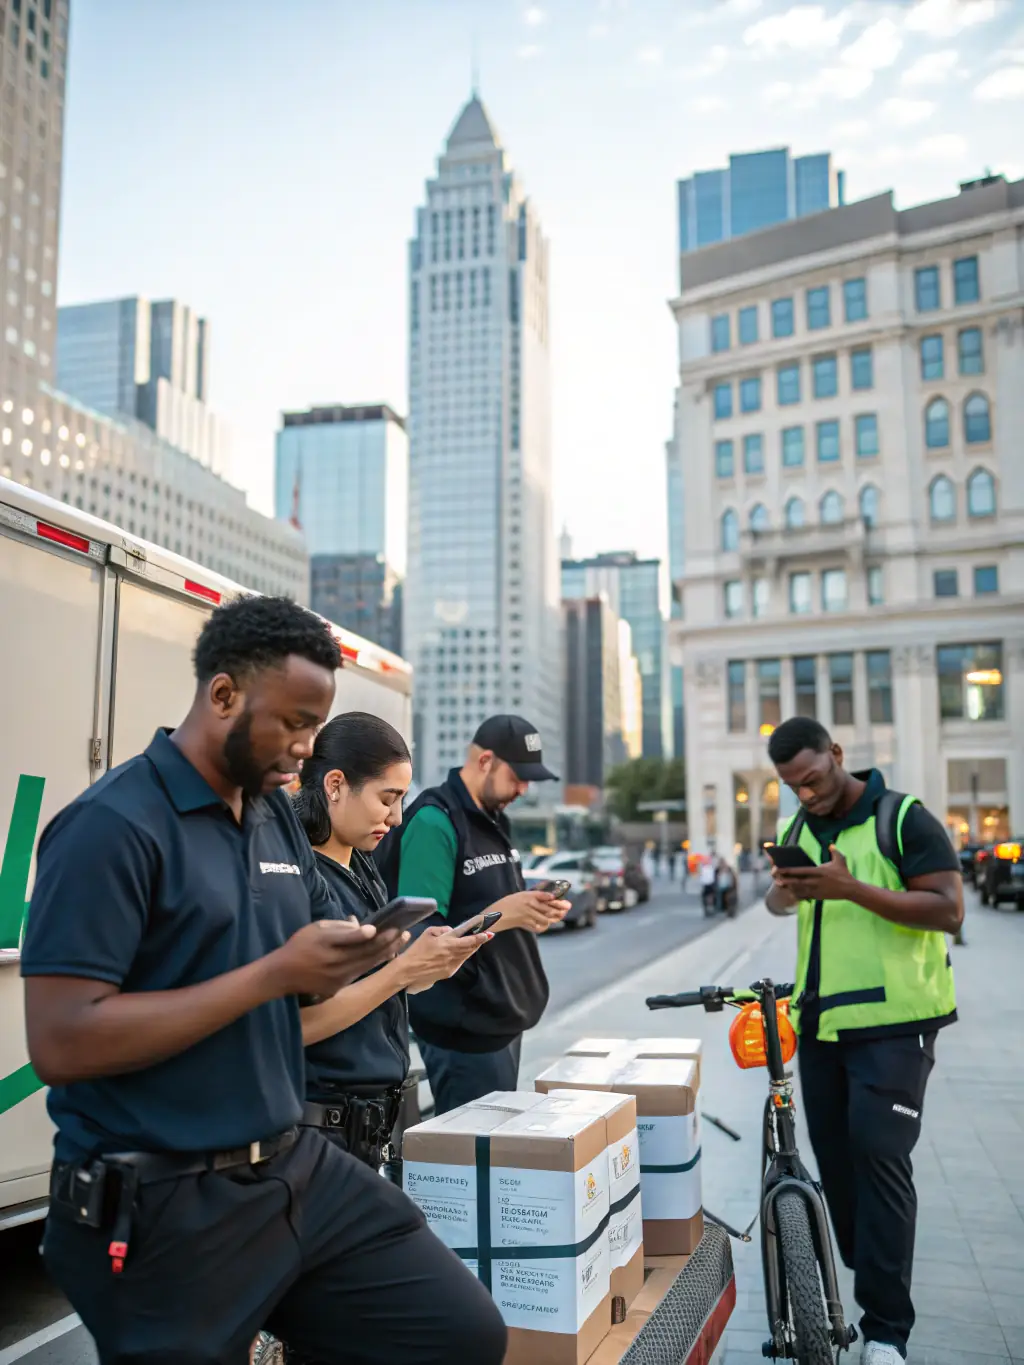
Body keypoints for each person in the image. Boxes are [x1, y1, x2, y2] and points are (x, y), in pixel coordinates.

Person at [21, 596, 507, 1365]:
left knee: (459, 1332)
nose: (307, 749)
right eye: (295, 723)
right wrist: (273, 975)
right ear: (224, 695)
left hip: (292, 1165)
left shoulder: (274, 819)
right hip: (165, 1198)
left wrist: (366, 955)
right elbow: (62, 1040)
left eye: (317, 726)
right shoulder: (111, 826)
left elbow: (302, 980)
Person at [765, 717, 962, 1365]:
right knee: (840, 1172)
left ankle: (885, 1331)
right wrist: (784, 891)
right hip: (821, 1026)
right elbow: (778, 906)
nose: (807, 793)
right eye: (793, 786)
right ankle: (867, 1267)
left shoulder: (902, 818)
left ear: (837, 754)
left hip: (896, 1024)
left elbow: (948, 908)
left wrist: (852, 888)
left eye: (813, 778)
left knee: (880, 1158)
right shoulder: (798, 828)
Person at [292, 712, 490, 1171]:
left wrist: (425, 967)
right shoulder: (296, 876)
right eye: (388, 798)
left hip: (371, 1125)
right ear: (335, 784)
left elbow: (377, 986)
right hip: (321, 1130)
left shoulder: (363, 865)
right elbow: (297, 1025)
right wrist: (401, 972)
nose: (397, 817)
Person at [377, 715, 569, 1113]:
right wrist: (505, 913)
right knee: (474, 1147)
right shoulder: (434, 820)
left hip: (500, 1022)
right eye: (517, 776)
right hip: (464, 1030)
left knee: (497, 1141)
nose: (524, 788)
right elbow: (420, 934)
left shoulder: (494, 818)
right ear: (485, 761)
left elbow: (490, 904)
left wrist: (533, 910)